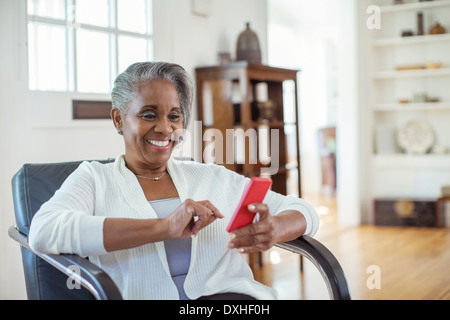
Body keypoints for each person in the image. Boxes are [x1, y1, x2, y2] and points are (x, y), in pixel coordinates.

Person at [28, 61, 320, 300]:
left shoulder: (208, 175)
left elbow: (304, 211)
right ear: (118, 119)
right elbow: (43, 230)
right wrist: (164, 226)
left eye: (174, 116)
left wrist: (276, 228)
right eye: (149, 114)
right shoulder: (94, 178)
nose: (165, 128)